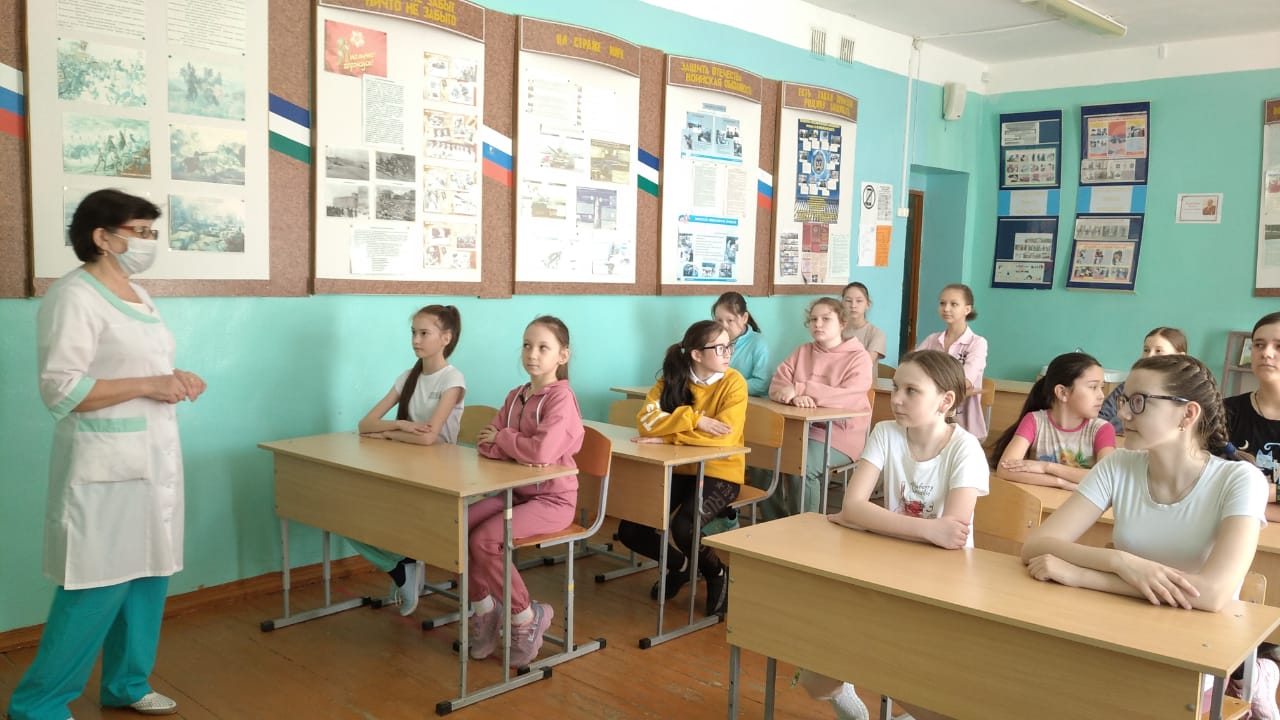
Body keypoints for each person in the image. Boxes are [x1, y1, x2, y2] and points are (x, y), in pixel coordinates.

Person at [9, 189, 207, 720]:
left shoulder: (139, 294)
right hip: (104, 464)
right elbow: (60, 389)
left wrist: (174, 377)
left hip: (154, 458)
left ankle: (126, 683)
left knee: (149, 576)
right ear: (102, 237)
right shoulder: (73, 296)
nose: (149, 241)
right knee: (95, 586)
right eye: (140, 232)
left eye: (151, 232)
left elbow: (139, 365)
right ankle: (38, 704)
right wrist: (149, 383)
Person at [1022, 354, 1277, 718]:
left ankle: (1258, 681)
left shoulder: (1239, 480)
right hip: (1114, 628)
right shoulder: (1118, 465)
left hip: (1194, 653)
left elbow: (1212, 594)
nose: (1123, 414)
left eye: (1139, 402)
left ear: (1187, 415)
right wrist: (1118, 561)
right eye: (1124, 399)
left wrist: (1083, 575)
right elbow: (1036, 545)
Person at [802, 350, 990, 720]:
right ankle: (850, 693)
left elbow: (952, 536)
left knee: (922, 687)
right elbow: (852, 506)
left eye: (911, 391)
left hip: (945, 583)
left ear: (945, 401)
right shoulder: (886, 432)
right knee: (815, 676)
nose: (897, 399)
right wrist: (929, 529)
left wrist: (876, 521)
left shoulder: (965, 448)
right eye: (895, 388)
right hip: (888, 567)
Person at [472, 316, 584, 668]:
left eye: (542, 347)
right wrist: (519, 447)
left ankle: (525, 615)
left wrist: (506, 440)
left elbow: (542, 452)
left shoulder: (562, 399)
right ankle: (486, 609)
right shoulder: (516, 395)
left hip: (553, 499)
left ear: (562, 356)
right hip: (515, 492)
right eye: (526, 345)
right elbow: (484, 443)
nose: (532, 354)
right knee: (456, 526)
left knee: (484, 540)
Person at [617, 320, 748, 616]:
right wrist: (695, 420)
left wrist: (668, 436)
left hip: (720, 472)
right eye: (720, 347)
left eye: (729, 346)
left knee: (684, 527)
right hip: (677, 469)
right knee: (631, 529)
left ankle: (716, 573)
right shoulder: (672, 380)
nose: (728, 353)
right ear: (696, 355)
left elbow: (724, 437)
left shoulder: (734, 382)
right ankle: (682, 566)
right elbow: (646, 422)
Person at [353, 305, 465, 616]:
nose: (416, 340)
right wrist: (401, 425)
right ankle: (402, 567)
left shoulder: (452, 379)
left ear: (446, 338)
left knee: (389, 516)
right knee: (349, 515)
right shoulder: (408, 377)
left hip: (440, 473)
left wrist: (387, 435)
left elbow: (430, 438)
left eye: (424, 333)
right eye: (413, 333)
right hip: (407, 466)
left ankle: (406, 567)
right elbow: (365, 425)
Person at [764, 298, 873, 518]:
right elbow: (777, 387)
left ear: (842, 323)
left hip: (840, 435)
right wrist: (795, 398)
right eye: (813, 319)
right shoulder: (803, 351)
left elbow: (847, 396)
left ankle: (805, 528)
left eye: (826, 319)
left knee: (801, 464)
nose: (818, 324)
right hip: (799, 429)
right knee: (762, 460)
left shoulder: (858, 357)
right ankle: (775, 522)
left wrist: (801, 388)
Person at [990, 352, 1116, 490]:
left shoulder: (1102, 429)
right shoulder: (1034, 420)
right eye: (1093, 387)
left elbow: (1106, 477)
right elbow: (1004, 470)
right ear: (1062, 392)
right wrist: (1060, 482)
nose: (1101, 395)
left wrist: (1047, 467)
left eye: (1101, 387)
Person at [1226, 312, 1280, 523]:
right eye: (1259, 345)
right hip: (1230, 528)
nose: (1266, 353)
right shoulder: (1225, 411)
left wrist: (1263, 493)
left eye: (1279, 346)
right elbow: (1209, 484)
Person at [916, 283, 988, 440]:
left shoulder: (977, 343)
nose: (946, 308)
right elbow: (912, 369)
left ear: (967, 309)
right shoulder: (932, 340)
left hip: (964, 421)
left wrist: (930, 382)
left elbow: (964, 382)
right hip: (929, 415)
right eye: (942, 303)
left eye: (954, 304)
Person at [1099, 326, 1187, 434]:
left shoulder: (1185, 393)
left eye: (1158, 351)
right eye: (1146, 350)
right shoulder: (1128, 386)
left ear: (1180, 357)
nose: (1149, 356)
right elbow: (1100, 420)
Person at [711, 291, 769, 397]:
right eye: (719, 320)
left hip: (748, 401)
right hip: (719, 398)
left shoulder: (758, 342)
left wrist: (728, 387)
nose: (724, 326)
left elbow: (762, 384)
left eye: (730, 320)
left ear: (744, 318)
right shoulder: (712, 342)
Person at [840, 282, 887, 362]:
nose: (853, 305)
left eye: (859, 301)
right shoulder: (835, 330)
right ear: (842, 304)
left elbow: (866, 363)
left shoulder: (876, 334)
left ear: (867, 305)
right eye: (848, 301)